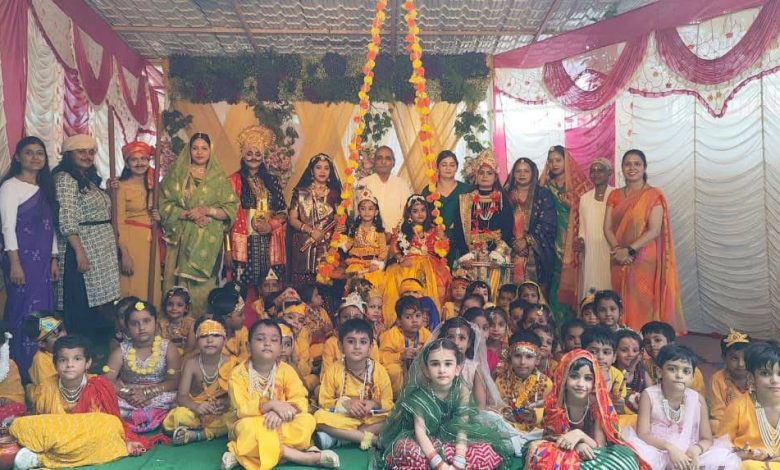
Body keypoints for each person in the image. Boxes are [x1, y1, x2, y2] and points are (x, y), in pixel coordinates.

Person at [10, 335, 157, 470]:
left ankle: (40, 459)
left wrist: (127, 441)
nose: (70, 364)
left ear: (88, 363)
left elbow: (112, 422)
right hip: (57, 436)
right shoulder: (45, 387)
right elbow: (43, 421)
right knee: (19, 424)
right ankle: (50, 453)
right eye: (63, 360)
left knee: (110, 424)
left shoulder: (99, 385)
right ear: (55, 364)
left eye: (77, 359)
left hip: (88, 438)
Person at [221, 319, 340, 470]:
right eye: (260, 339)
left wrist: (279, 412)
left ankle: (242, 454)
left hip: (283, 420)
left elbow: (300, 400)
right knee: (246, 428)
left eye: (274, 340)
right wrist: (271, 405)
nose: (267, 344)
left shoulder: (287, 370)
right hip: (253, 422)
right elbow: (241, 409)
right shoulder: (238, 374)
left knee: (307, 421)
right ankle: (301, 457)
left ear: (280, 348)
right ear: (248, 346)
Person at [378, 338, 513, 469]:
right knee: (407, 449)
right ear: (426, 371)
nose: (442, 370)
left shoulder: (462, 391)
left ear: (457, 369)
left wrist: (459, 460)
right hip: (423, 441)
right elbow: (420, 433)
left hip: (453, 439)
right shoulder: (419, 396)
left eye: (448, 364)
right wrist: (439, 465)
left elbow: (462, 427)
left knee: (484, 450)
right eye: (435, 364)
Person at [523, 349, 648, 469]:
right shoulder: (555, 404)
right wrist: (577, 445)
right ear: (563, 378)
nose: (580, 384)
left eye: (587, 378)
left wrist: (580, 436)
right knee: (539, 450)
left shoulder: (598, 406)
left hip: (594, 455)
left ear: (594, 381)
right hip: (563, 452)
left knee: (625, 458)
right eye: (574, 376)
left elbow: (599, 446)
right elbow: (551, 438)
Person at [604, 149, 684, 331]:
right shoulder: (614, 195)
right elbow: (607, 228)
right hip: (618, 256)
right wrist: (618, 250)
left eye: (637, 164)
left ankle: (642, 338)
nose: (632, 168)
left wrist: (629, 250)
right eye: (627, 164)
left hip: (643, 256)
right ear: (622, 168)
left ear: (644, 167)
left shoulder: (653, 195)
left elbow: (654, 230)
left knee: (642, 298)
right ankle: (622, 337)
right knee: (619, 296)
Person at [625, 344, 740, 469]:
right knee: (634, 458)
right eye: (672, 369)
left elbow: (707, 439)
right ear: (659, 372)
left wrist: (696, 450)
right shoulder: (649, 395)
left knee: (724, 459)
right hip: (657, 450)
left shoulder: (697, 399)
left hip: (689, 450)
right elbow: (643, 434)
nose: (679, 375)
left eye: (686, 371)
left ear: (692, 377)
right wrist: (670, 448)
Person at [160, 133, 238, 316]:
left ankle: (202, 323)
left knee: (203, 287)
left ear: (211, 151)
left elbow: (230, 210)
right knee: (178, 286)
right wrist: (189, 215)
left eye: (204, 148)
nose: (199, 152)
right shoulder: (177, 175)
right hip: (181, 239)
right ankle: (177, 325)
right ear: (189, 150)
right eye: (195, 148)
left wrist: (207, 211)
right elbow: (164, 204)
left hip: (207, 241)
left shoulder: (218, 178)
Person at [0, 136, 58, 381]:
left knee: (44, 307)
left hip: (43, 261)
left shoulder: (45, 188)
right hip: (20, 260)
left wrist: (54, 258)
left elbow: (50, 227)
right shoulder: (10, 187)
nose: (35, 157)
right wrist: (15, 264)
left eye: (40, 153)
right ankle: (19, 366)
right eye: (29, 152)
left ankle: (44, 362)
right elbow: (7, 227)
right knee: (21, 308)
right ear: (17, 157)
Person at [53, 134, 119, 336]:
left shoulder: (87, 179)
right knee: (81, 298)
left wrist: (109, 192)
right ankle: (78, 343)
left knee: (96, 301)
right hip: (81, 246)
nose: (87, 156)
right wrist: (79, 252)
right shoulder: (65, 178)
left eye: (91, 152)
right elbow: (67, 217)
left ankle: (94, 341)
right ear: (68, 154)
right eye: (81, 151)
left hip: (99, 247)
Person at [227, 125, 287, 298]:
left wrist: (271, 225)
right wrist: (228, 249)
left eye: (257, 153)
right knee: (242, 289)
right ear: (242, 154)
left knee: (270, 288)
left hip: (269, 241)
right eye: (249, 153)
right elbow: (226, 219)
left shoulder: (273, 181)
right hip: (243, 241)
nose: (253, 157)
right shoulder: (233, 181)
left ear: (263, 156)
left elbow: (283, 212)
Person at [314, 318, 393, 450]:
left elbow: (388, 402)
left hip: (369, 419)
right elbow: (324, 401)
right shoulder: (334, 369)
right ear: (340, 346)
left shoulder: (379, 371)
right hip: (343, 417)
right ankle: (373, 439)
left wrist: (374, 404)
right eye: (351, 341)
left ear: (370, 347)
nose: (357, 346)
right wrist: (346, 403)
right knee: (318, 416)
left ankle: (341, 438)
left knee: (395, 417)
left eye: (363, 342)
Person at [104, 300, 180, 433]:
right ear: (127, 327)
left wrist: (147, 393)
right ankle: (148, 417)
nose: (141, 327)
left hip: (159, 393)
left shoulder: (168, 347)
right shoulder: (121, 350)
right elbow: (107, 380)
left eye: (146, 321)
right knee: (103, 398)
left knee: (178, 401)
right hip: (128, 395)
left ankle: (134, 418)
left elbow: (175, 381)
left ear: (156, 323)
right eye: (134, 323)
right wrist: (127, 394)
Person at [539, 146, 593, 324]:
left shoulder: (580, 186)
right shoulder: (545, 186)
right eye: (551, 161)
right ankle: (555, 324)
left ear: (566, 161)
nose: (554, 164)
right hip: (551, 240)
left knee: (572, 280)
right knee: (554, 280)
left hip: (573, 241)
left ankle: (573, 324)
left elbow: (591, 212)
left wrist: (573, 207)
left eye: (558, 160)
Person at [163, 318, 236, 445]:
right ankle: (211, 430)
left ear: (225, 340)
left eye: (216, 335)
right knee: (179, 415)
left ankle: (200, 434)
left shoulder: (233, 363)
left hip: (219, 411)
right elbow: (182, 396)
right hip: (196, 409)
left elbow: (237, 395)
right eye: (203, 336)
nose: (210, 340)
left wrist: (225, 403)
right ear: (197, 341)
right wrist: (197, 407)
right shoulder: (191, 363)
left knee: (234, 416)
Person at [454, 150, 514, 297]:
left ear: (495, 176)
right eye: (481, 172)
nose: (485, 176)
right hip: (470, 257)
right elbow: (459, 230)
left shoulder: (502, 199)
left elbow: (507, 229)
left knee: (493, 296)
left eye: (489, 173)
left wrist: (497, 254)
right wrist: (466, 255)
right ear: (476, 175)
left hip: (496, 256)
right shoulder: (465, 200)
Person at [383, 195, 451, 325]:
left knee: (442, 280)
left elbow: (443, 249)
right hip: (409, 262)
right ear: (409, 214)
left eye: (423, 210)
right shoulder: (403, 229)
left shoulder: (433, 229)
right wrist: (400, 259)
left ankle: (433, 322)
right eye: (415, 211)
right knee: (398, 277)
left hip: (431, 263)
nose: (420, 214)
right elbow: (394, 246)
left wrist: (442, 238)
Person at [719, 341, 780, 468]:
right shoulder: (737, 407)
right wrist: (744, 454)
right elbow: (720, 449)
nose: (775, 380)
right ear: (751, 378)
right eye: (765, 373)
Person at [116, 141, 162, 306]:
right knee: (131, 284)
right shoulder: (120, 186)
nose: (139, 163)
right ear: (127, 163)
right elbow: (118, 221)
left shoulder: (154, 185)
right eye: (134, 159)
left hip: (150, 241)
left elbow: (165, 210)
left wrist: (159, 217)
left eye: (143, 159)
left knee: (150, 283)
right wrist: (124, 253)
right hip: (130, 241)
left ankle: (151, 318)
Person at [289, 153, 342, 286]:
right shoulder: (300, 193)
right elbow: (292, 219)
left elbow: (340, 220)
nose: (322, 171)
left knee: (325, 285)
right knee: (304, 288)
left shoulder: (335, 195)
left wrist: (341, 226)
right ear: (312, 171)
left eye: (326, 168)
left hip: (327, 247)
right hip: (305, 243)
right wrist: (311, 231)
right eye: (318, 167)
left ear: (330, 172)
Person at [504, 158, 557, 291]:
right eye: (518, 171)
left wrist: (527, 241)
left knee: (534, 294)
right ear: (513, 174)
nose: (522, 174)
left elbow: (548, 224)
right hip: (509, 251)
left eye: (526, 171)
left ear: (533, 173)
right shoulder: (506, 195)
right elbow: (500, 223)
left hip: (536, 254)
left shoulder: (543, 195)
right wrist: (514, 242)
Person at [421, 150, 472, 265]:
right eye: (444, 165)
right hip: (435, 241)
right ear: (437, 167)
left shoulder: (466, 190)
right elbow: (422, 217)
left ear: (457, 167)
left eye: (452, 165)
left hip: (460, 242)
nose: (448, 168)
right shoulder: (429, 190)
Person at [495, 331, 553, 433]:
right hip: (506, 432)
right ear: (510, 358)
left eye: (529, 357)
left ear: (537, 359)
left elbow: (550, 416)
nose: (522, 362)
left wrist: (534, 416)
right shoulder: (501, 381)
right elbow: (496, 409)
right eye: (517, 356)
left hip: (536, 435)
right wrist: (505, 414)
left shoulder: (546, 384)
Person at [576, 158, 615, 295]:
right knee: (592, 287)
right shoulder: (585, 198)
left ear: (609, 172)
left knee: (610, 284)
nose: (595, 174)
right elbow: (582, 228)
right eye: (593, 171)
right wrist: (581, 241)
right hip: (591, 250)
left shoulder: (617, 195)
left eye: (600, 170)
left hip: (611, 248)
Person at [379, 297, 432, 397]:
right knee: (393, 370)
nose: (414, 320)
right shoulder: (391, 335)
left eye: (418, 316)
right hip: (400, 378)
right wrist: (400, 356)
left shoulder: (426, 334)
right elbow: (381, 357)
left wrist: (423, 353)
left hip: (418, 374)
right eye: (408, 317)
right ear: (399, 320)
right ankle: (395, 399)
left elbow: (434, 351)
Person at [358, 146, 413, 236]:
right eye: (379, 158)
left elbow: (408, 214)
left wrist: (394, 235)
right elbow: (357, 213)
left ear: (393, 163)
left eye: (388, 158)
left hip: (397, 237)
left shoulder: (402, 185)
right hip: (368, 238)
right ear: (374, 161)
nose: (383, 162)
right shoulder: (363, 183)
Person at [641, 321, 706, 396]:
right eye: (647, 342)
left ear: (671, 344)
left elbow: (697, 397)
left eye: (657, 340)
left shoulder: (688, 369)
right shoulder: (648, 364)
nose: (652, 345)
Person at [340, 186, 387, 289]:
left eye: (370, 209)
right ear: (359, 211)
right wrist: (341, 246)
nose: (366, 212)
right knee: (354, 280)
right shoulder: (355, 229)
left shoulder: (379, 231)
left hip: (372, 264)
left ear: (376, 212)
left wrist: (377, 263)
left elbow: (383, 251)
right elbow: (349, 242)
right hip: (356, 262)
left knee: (376, 282)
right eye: (363, 208)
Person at [710, 329, 751, 434]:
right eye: (734, 358)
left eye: (745, 358)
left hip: (753, 423)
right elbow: (718, 413)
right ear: (724, 358)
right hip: (728, 424)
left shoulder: (757, 376)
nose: (741, 364)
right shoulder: (717, 378)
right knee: (713, 424)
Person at [582, 326, 626, 414]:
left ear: (614, 357)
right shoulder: (578, 374)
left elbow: (612, 409)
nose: (600, 357)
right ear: (583, 353)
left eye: (606, 352)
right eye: (593, 352)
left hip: (606, 414)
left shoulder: (617, 376)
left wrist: (617, 406)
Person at [23, 312, 66, 403]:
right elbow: (51, 391)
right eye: (55, 335)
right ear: (42, 343)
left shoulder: (70, 349)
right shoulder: (40, 360)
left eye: (61, 330)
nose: (62, 336)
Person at [614, 329, 651, 416]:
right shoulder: (611, 374)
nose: (630, 354)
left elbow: (653, 399)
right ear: (615, 352)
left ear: (641, 354)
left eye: (635, 350)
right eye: (624, 350)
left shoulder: (642, 374)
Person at [208, 285, 249, 361]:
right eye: (240, 315)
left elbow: (246, 357)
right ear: (227, 317)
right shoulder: (210, 338)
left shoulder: (243, 331)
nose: (244, 318)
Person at [157, 286, 195, 355]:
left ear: (186, 308)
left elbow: (190, 348)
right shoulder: (161, 324)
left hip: (186, 357)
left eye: (179, 305)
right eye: (170, 304)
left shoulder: (190, 324)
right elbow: (158, 346)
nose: (174, 308)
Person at [0, 323, 25, 421]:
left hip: (4, 411)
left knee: (17, 409)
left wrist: (6, 400)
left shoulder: (9, 365)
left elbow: (17, 398)